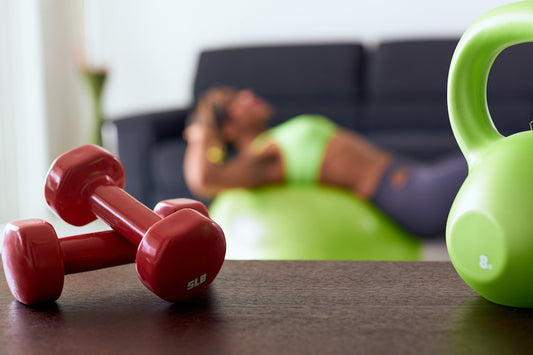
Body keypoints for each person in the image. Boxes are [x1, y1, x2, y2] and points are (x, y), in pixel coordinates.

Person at [183, 86, 468, 238]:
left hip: (414, 177)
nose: (246, 94)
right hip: (408, 194)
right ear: (229, 129)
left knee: (497, 159)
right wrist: (202, 132)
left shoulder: (273, 141)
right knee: (498, 160)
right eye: (233, 100)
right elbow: (203, 180)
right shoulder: (263, 157)